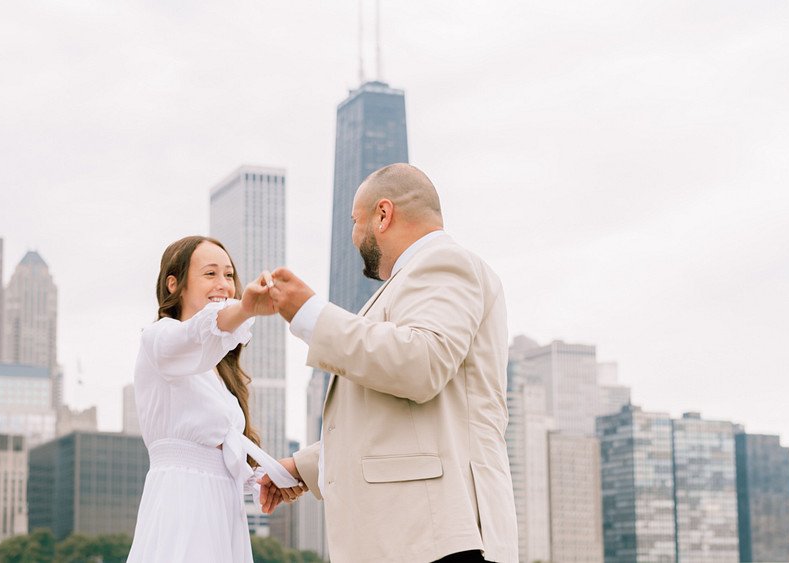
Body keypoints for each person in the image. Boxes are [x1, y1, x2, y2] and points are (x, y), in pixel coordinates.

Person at [262, 164, 518, 563]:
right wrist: (304, 466)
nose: (353, 236)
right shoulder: (408, 283)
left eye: (355, 221)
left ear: (384, 214)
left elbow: (421, 364)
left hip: (436, 539)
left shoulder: (444, 262)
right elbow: (396, 414)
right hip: (417, 537)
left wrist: (310, 315)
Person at [127, 235, 305, 563]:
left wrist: (268, 477)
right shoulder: (159, 339)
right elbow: (192, 334)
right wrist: (246, 308)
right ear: (173, 285)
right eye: (210, 274)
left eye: (228, 275)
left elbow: (223, 454)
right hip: (183, 502)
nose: (223, 284)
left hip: (223, 506)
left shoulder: (217, 370)